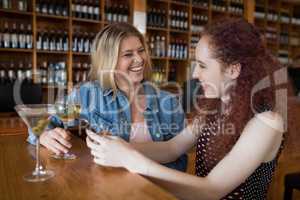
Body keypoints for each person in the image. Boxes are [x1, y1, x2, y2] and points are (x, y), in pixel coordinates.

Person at [85, 18, 286, 199]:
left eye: (203, 65)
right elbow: (171, 148)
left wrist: (130, 159)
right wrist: (118, 147)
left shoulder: (267, 122)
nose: (195, 74)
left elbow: (212, 190)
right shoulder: (215, 108)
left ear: (233, 69)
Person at [27, 22, 187, 171]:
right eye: (128, 54)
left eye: (141, 50)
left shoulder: (169, 102)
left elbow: (180, 162)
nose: (139, 59)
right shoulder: (88, 95)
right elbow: (43, 121)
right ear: (109, 61)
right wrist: (44, 136)